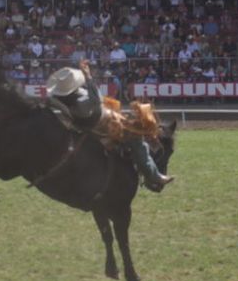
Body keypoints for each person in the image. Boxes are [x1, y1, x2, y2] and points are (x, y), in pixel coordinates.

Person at [45, 65, 173, 191]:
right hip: (105, 126)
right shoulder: (81, 102)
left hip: (95, 123)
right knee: (138, 142)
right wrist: (89, 78)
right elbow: (97, 99)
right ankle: (153, 175)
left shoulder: (62, 100)